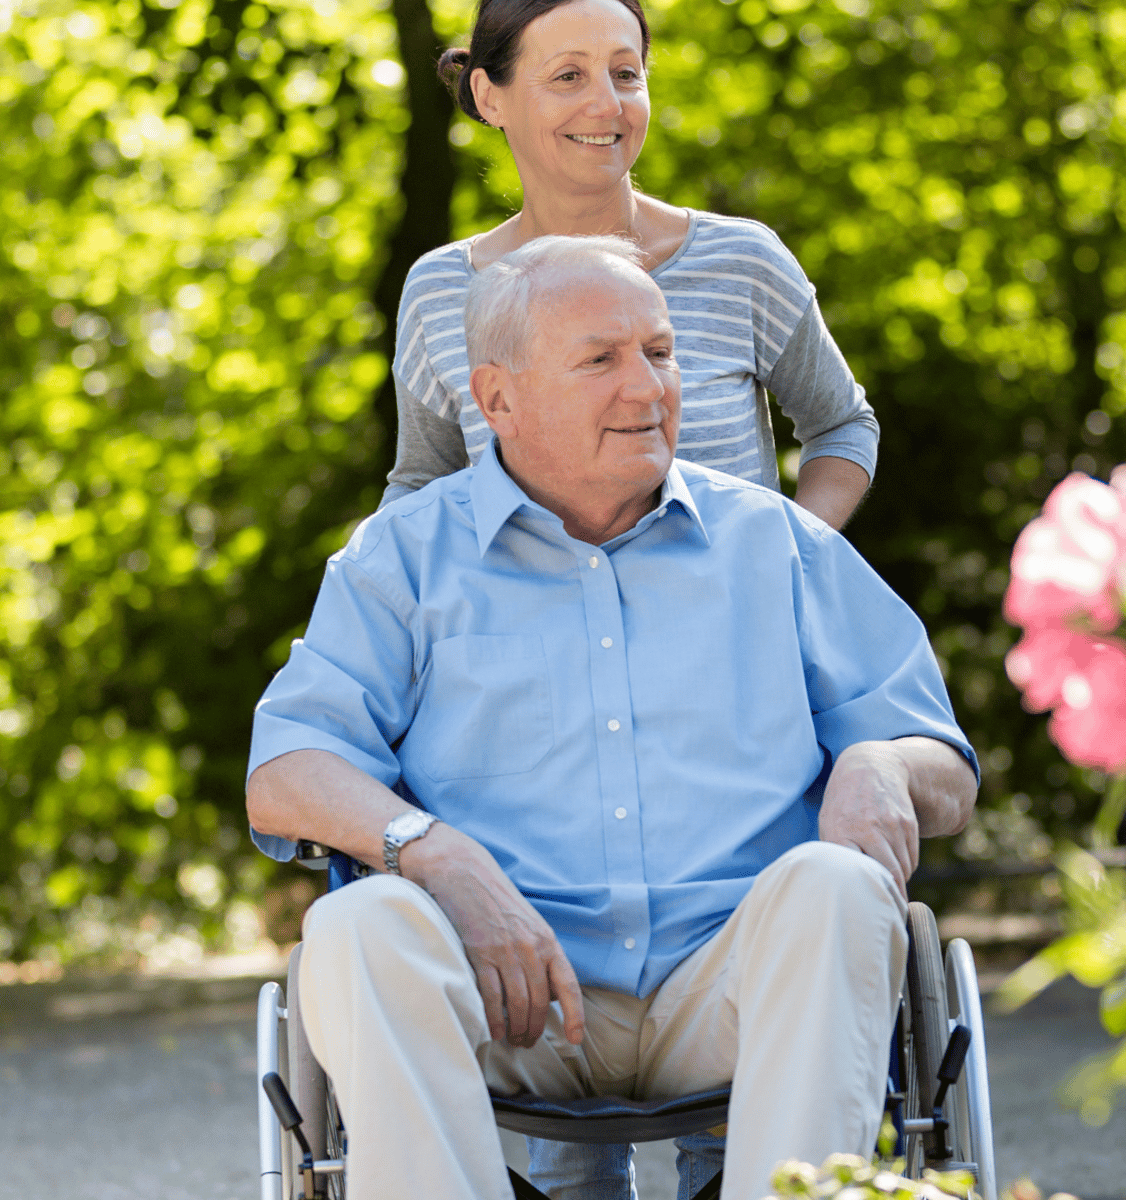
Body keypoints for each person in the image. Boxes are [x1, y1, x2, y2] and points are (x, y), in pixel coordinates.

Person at [247, 237, 979, 1200]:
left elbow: (946, 769)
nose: (649, 388)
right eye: (602, 359)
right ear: (496, 398)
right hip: (503, 989)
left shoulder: (775, 543)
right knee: (357, 925)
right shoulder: (404, 561)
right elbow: (287, 767)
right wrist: (437, 855)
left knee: (836, 888)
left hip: (732, 982)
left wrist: (882, 762)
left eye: (662, 352)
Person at [385, 0, 878, 534]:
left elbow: (842, 425)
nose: (606, 104)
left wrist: (793, 555)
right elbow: (421, 485)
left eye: (625, 75)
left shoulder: (742, 262)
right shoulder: (440, 290)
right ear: (489, 96)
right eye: (568, 75)